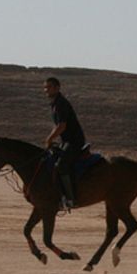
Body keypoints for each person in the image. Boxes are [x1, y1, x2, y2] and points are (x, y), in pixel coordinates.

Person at [43, 77, 86, 209]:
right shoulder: (55, 104)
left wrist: (49, 139)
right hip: (66, 141)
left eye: (49, 87)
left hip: (74, 141)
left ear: (57, 87)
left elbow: (62, 126)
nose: (46, 90)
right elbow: (57, 126)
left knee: (61, 165)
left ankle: (70, 199)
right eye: (45, 87)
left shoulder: (61, 103)